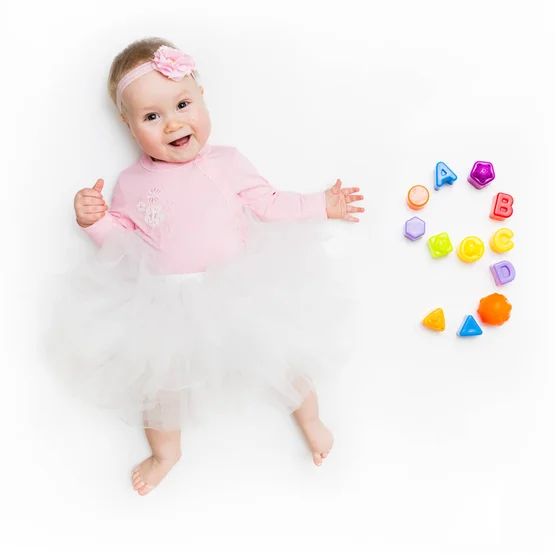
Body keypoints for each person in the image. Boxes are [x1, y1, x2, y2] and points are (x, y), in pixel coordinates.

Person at [47, 37, 364, 496]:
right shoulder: (132, 182)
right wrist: (94, 219)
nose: (173, 122)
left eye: (182, 104)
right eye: (152, 116)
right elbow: (123, 242)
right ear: (129, 125)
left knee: (280, 355)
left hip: (233, 288)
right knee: (159, 385)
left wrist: (323, 204)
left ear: (201, 97)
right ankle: (165, 451)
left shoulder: (227, 163)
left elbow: (270, 204)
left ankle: (312, 420)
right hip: (165, 302)